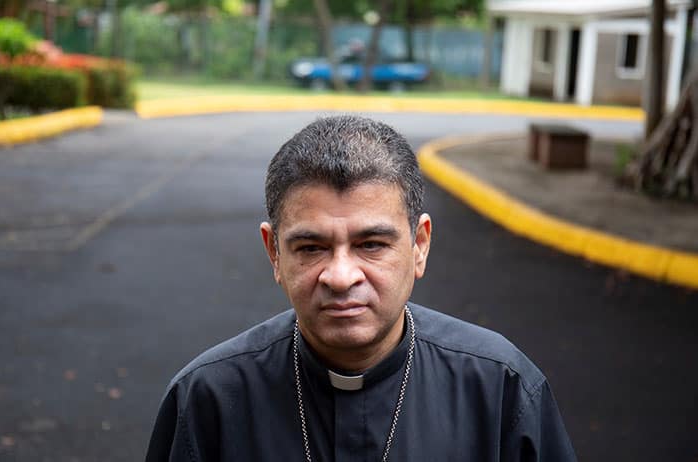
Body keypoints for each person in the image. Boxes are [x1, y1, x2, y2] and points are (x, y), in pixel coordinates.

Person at [145, 115, 577, 461]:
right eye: (311, 247)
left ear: (419, 245)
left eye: (371, 245)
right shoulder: (209, 400)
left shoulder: (500, 389)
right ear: (274, 252)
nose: (341, 275)